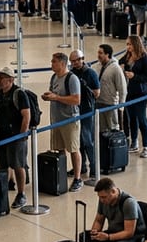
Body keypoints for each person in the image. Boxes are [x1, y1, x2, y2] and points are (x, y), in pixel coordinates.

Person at [0, 67, 31, 209]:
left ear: (10, 79)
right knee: (2, 164)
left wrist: (22, 135)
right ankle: (5, 186)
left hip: (16, 136)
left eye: (1, 78)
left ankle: (21, 193)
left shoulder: (19, 94)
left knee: (17, 165)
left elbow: (26, 116)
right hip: (2, 134)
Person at [43, 52, 85, 192]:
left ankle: (78, 178)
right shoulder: (54, 77)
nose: (51, 64)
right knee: (59, 149)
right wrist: (49, 96)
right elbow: (53, 94)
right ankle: (60, 176)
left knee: (73, 149)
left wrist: (57, 97)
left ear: (62, 63)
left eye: (54, 61)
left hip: (70, 120)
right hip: (56, 120)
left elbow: (76, 100)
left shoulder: (72, 79)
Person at [69, 50, 101, 184]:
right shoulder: (72, 73)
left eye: (77, 60)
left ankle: (94, 169)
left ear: (83, 59)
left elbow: (97, 93)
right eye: (72, 61)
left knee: (88, 140)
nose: (75, 63)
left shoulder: (90, 73)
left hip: (87, 111)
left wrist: (85, 89)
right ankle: (81, 167)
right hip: (75, 111)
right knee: (78, 140)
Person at [121, 35, 147, 158]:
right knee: (132, 118)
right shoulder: (127, 56)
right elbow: (120, 61)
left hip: (141, 93)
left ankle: (146, 146)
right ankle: (134, 142)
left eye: (130, 44)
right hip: (129, 92)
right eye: (127, 44)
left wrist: (134, 76)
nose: (128, 47)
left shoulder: (144, 58)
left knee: (141, 118)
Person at [95, 43, 127, 133]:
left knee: (113, 128)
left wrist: (121, 106)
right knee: (101, 130)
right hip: (99, 103)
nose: (98, 55)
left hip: (110, 104)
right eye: (98, 53)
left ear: (107, 54)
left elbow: (122, 88)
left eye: (101, 53)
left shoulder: (115, 68)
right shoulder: (97, 66)